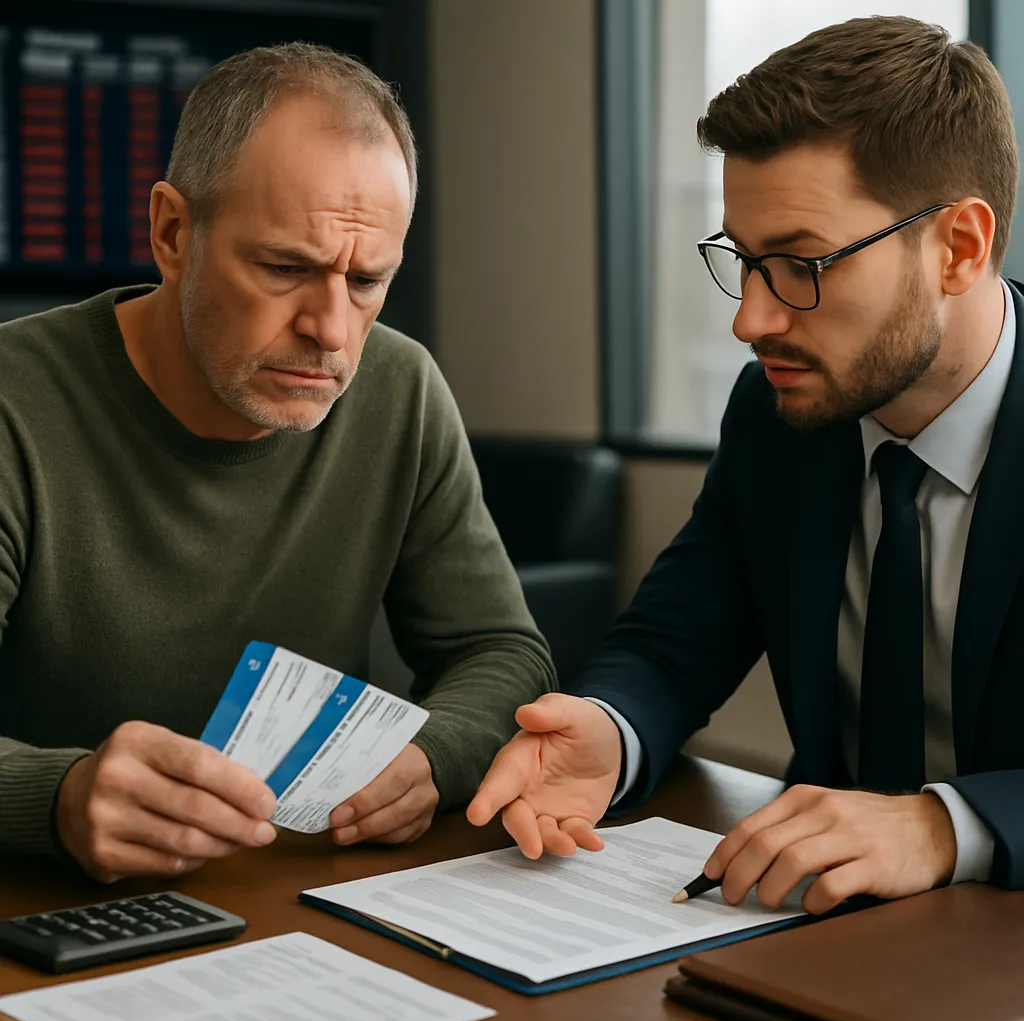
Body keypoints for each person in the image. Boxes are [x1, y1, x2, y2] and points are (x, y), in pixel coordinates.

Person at [468, 15, 1024, 913]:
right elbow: (676, 638)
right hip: (817, 927)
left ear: (958, 247)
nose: (751, 321)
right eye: (743, 260)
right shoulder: (777, 415)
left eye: (802, 264)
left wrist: (944, 824)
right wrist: (610, 732)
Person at [0, 43, 555, 882]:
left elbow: (501, 651)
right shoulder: (14, 403)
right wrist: (54, 796)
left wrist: (433, 756)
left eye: (367, 280)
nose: (332, 331)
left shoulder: (399, 388)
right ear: (173, 232)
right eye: (285, 268)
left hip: (296, 893)